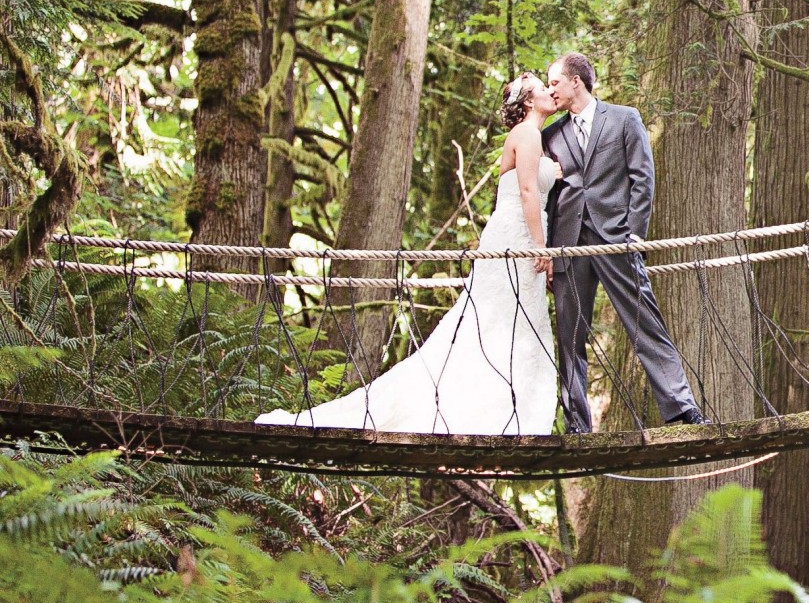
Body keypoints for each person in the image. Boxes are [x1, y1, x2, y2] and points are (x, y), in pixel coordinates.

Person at [259, 73, 563, 435]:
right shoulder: (528, 134)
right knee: (494, 322)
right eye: (544, 88)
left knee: (502, 323)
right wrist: (541, 247)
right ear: (529, 102)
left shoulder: (532, 137)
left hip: (516, 236)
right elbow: (528, 191)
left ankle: (498, 413)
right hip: (518, 239)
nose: (551, 92)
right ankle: (487, 413)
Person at [542, 52, 704, 431]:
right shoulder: (550, 135)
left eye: (554, 83)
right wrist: (549, 252)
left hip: (617, 239)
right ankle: (577, 424)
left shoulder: (624, 118)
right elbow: (549, 199)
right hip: (568, 245)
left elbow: (642, 178)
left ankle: (681, 407)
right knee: (570, 335)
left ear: (575, 81)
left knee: (644, 322)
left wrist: (633, 234)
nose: (551, 91)